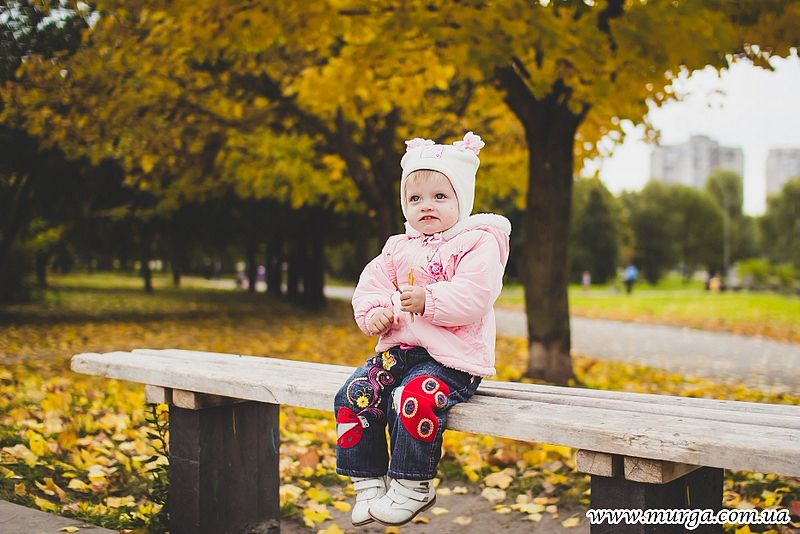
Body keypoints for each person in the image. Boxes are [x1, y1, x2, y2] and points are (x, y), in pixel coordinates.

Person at [334, 132, 511, 527]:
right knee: (354, 392)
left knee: (414, 396)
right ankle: (368, 484)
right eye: (415, 199)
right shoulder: (398, 247)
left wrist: (429, 301)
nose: (426, 206)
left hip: (452, 358)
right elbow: (371, 287)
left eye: (439, 197)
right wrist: (376, 312)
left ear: (461, 200)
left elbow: (477, 293)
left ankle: (414, 484)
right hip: (401, 351)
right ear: (404, 204)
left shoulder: (478, 241)